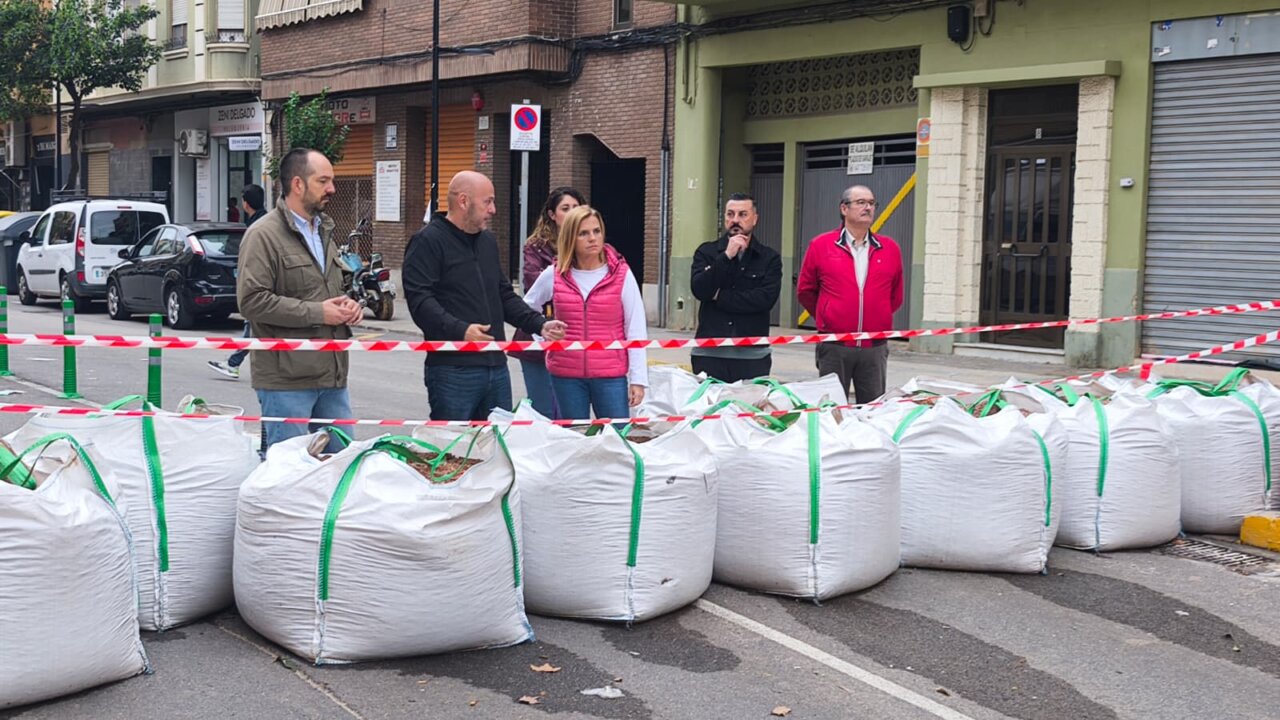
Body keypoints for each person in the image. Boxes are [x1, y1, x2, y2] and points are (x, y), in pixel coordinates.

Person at [403, 170, 567, 421]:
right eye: (487, 201)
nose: (493, 210)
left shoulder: (487, 242)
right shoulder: (427, 241)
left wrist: (539, 324)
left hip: (495, 365)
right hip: (453, 369)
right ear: (463, 201)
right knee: (453, 448)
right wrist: (461, 330)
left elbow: (503, 295)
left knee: (496, 446)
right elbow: (420, 301)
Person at [236, 148, 364, 452]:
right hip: (286, 380)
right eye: (323, 181)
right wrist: (318, 313)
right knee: (289, 474)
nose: (332, 189)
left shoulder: (324, 230)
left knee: (341, 465)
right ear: (297, 184)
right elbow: (251, 301)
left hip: (331, 375)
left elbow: (326, 288)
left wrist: (348, 304)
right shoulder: (263, 235)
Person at [523, 206, 646, 421]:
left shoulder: (621, 274)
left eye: (597, 231)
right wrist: (543, 334)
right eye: (583, 233)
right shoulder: (555, 273)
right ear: (570, 236)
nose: (592, 238)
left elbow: (635, 327)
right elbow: (526, 309)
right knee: (574, 441)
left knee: (615, 441)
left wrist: (638, 379)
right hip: (566, 375)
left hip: (610, 375)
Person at [796, 184, 904, 404]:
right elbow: (806, 290)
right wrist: (828, 316)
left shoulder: (890, 248)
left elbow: (895, 296)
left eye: (872, 203)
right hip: (835, 344)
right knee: (833, 409)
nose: (868, 208)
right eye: (861, 202)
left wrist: (877, 316)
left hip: (874, 346)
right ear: (844, 209)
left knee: (872, 410)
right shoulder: (821, 245)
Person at [508, 186, 586, 417]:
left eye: (576, 207)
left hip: (575, 339)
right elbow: (535, 284)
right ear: (552, 215)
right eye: (565, 208)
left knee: (571, 413)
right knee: (546, 411)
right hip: (539, 339)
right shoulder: (537, 247)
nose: (572, 213)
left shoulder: (590, 245)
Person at [689, 192, 782, 383]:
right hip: (710, 353)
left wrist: (720, 297)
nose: (735, 220)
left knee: (749, 411)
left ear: (754, 219)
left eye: (742, 214)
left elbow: (765, 300)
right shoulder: (706, 252)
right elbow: (700, 290)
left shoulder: (769, 258)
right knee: (709, 411)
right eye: (730, 214)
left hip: (752, 356)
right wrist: (726, 256)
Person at [209, 183, 267, 379]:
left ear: (246, 203)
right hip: (262, 284)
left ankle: (233, 363)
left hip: (258, 284)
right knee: (254, 327)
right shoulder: (266, 221)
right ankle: (234, 362)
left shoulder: (255, 226)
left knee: (253, 326)